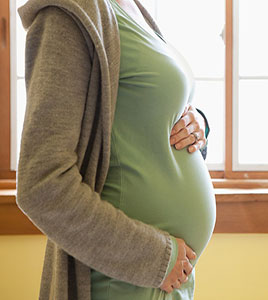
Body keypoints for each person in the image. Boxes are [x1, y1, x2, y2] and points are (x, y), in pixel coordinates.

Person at [16, 0, 216, 299]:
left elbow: (142, 122)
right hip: (123, 281)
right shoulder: (66, 16)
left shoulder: (131, 8)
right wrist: (154, 258)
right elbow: (42, 184)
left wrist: (197, 124)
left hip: (164, 279)